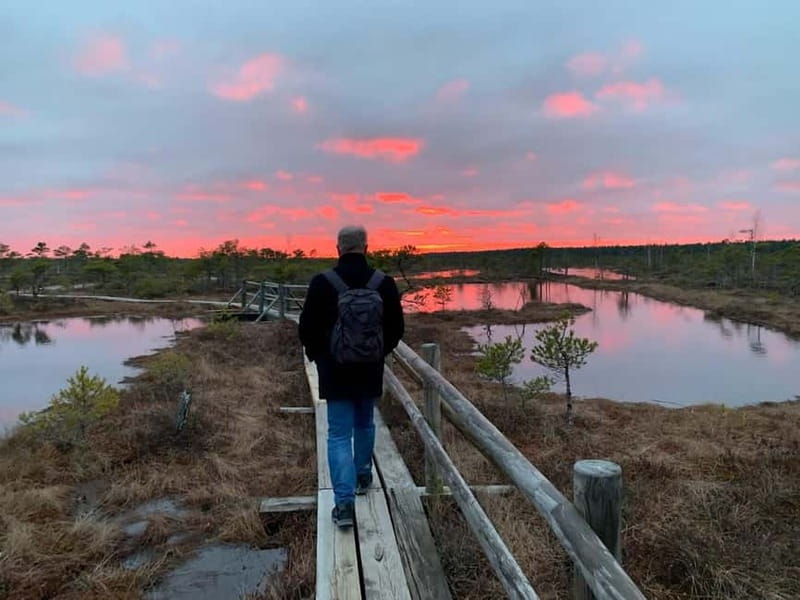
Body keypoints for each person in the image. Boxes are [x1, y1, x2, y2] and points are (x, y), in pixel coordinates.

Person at [299, 225, 404, 528]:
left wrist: (321, 358)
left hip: (335, 371)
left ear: (338, 249)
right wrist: (376, 353)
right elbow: (396, 329)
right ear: (366, 247)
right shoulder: (383, 283)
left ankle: (344, 506)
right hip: (370, 368)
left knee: (339, 434)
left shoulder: (322, 283)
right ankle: (363, 474)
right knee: (365, 423)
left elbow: (306, 329)